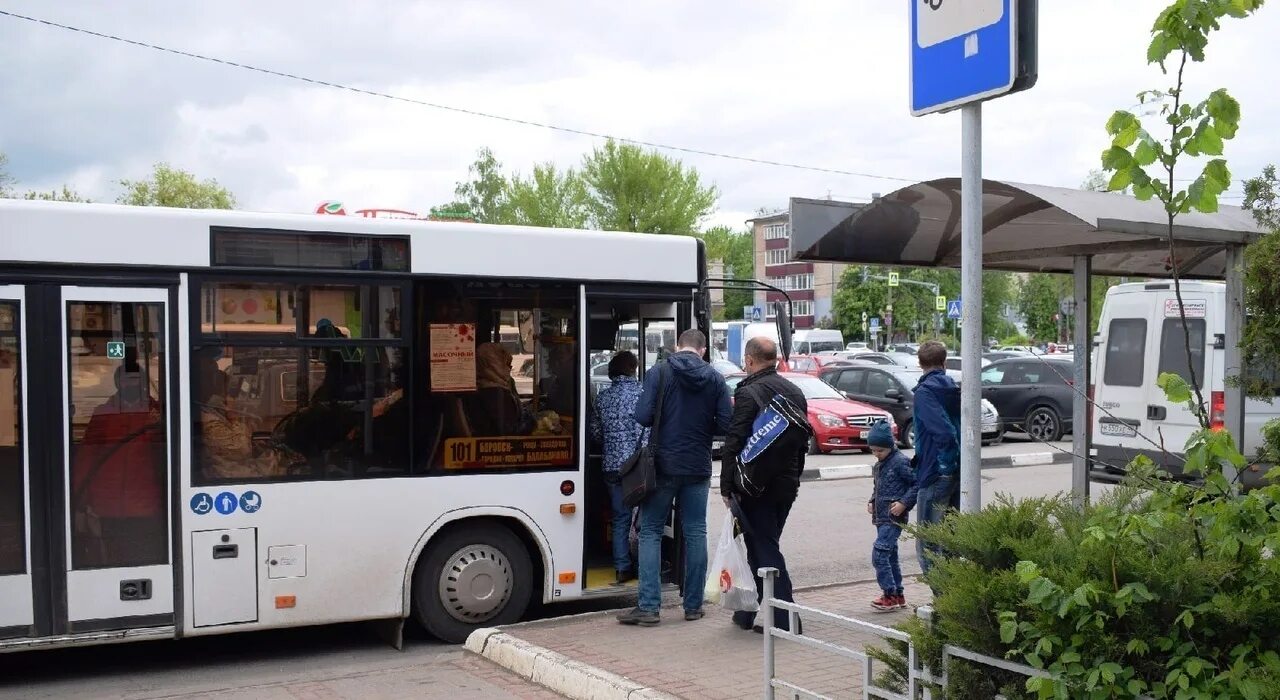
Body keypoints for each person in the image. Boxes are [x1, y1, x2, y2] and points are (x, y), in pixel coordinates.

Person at [617, 329, 732, 626]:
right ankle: (693, 606)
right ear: (703, 350)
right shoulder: (716, 378)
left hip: (663, 466)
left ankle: (649, 607)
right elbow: (726, 424)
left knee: (651, 530)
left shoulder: (660, 372)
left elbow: (642, 416)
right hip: (698, 466)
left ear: (677, 346)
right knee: (696, 531)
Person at [719, 336, 809, 632]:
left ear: (749, 360)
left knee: (765, 550)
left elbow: (734, 442)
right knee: (762, 547)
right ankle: (748, 612)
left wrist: (727, 486)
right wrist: (794, 479)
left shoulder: (748, 393)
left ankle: (785, 621)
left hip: (754, 487)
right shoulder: (795, 391)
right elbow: (801, 444)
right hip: (786, 485)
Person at [71, 366, 167, 568]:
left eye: (135, 379)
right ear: (117, 383)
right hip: (107, 504)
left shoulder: (158, 414)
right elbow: (87, 457)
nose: (131, 384)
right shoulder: (103, 414)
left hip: (147, 503)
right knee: (113, 559)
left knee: (145, 557)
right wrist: (81, 499)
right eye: (126, 379)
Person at [899, 340, 961, 578]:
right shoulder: (951, 388)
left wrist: (945, 466)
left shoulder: (925, 393)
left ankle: (943, 601)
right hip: (954, 470)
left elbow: (945, 433)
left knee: (928, 542)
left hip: (936, 472)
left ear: (919, 363)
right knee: (949, 539)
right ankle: (955, 598)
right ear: (944, 362)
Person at [588, 351, 643, 583]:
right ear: (633, 368)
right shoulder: (642, 393)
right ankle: (645, 565)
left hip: (611, 466)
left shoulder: (602, 398)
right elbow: (646, 432)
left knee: (620, 518)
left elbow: (595, 433)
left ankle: (622, 568)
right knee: (644, 519)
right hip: (637, 467)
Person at [865, 420, 915, 612]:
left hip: (894, 517)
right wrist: (872, 500)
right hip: (881, 516)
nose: (876, 454)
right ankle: (898, 594)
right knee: (890, 556)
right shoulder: (879, 465)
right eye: (873, 450)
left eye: (880, 450)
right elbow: (878, 487)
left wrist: (903, 503)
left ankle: (889, 594)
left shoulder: (900, 462)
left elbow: (915, 484)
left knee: (879, 554)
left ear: (890, 446)